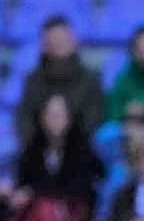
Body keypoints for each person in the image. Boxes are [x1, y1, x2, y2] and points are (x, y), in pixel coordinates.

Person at [0, 93, 103, 221]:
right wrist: (14, 192)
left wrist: (35, 193)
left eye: (59, 114)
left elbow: (83, 190)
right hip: (34, 220)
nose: (55, 120)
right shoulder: (31, 151)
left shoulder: (83, 151)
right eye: (50, 114)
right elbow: (23, 184)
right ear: (42, 118)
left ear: (69, 118)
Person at [14, 15, 105, 147]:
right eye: (53, 40)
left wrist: (66, 143)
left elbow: (93, 119)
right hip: (38, 146)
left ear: (74, 41)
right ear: (43, 45)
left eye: (62, 39)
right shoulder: (33, 80)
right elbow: (25, 118)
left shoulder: (91, 79)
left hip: (80, 147)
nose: (58, 44)